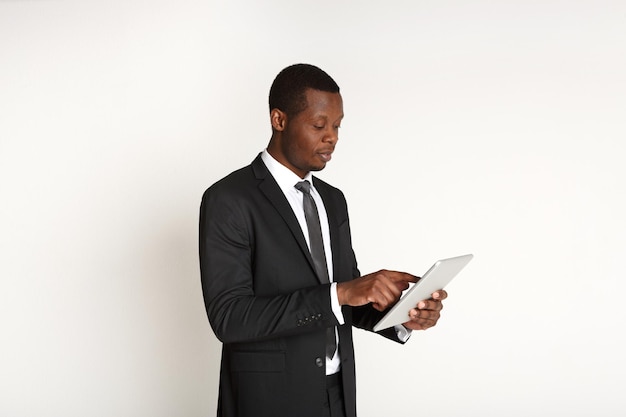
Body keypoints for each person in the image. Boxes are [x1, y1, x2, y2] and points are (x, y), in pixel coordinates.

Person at [199, 63, 447, 417]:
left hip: (337, 394)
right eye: (319, 125)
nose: (332, 136)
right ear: (279, 120)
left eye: (337, 125)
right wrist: (343, 291)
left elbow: (345, 303)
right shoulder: (229, 199)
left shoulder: (332, 200)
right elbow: (229, 317)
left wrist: (403, 316)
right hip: (268, 400)